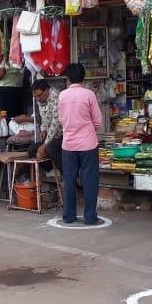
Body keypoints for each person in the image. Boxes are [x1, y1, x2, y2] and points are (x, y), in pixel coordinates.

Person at [58, 64, 104, 226]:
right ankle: (90, 217)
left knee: (69, 180)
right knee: (90, 180)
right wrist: (87, 127)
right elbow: (98, 121)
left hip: (68, 144)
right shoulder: (89, 94)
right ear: (83, 77)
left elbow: (61, 120)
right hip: (88, 144)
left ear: (68, 78)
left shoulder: (62, 96)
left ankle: (69, 215)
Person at [30, 79, 63, 174]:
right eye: (35, 96)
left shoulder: (56, 97)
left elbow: (56, 123)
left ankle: (68, 175)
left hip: (63, 135)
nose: (38, 98)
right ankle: (52, 171)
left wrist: (45, 144)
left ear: (47, 90)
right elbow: (43, 117)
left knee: (50, 149)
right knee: (31, 150)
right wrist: (43, 129)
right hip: (51, 137)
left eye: (39, 95)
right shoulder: (40, 100)